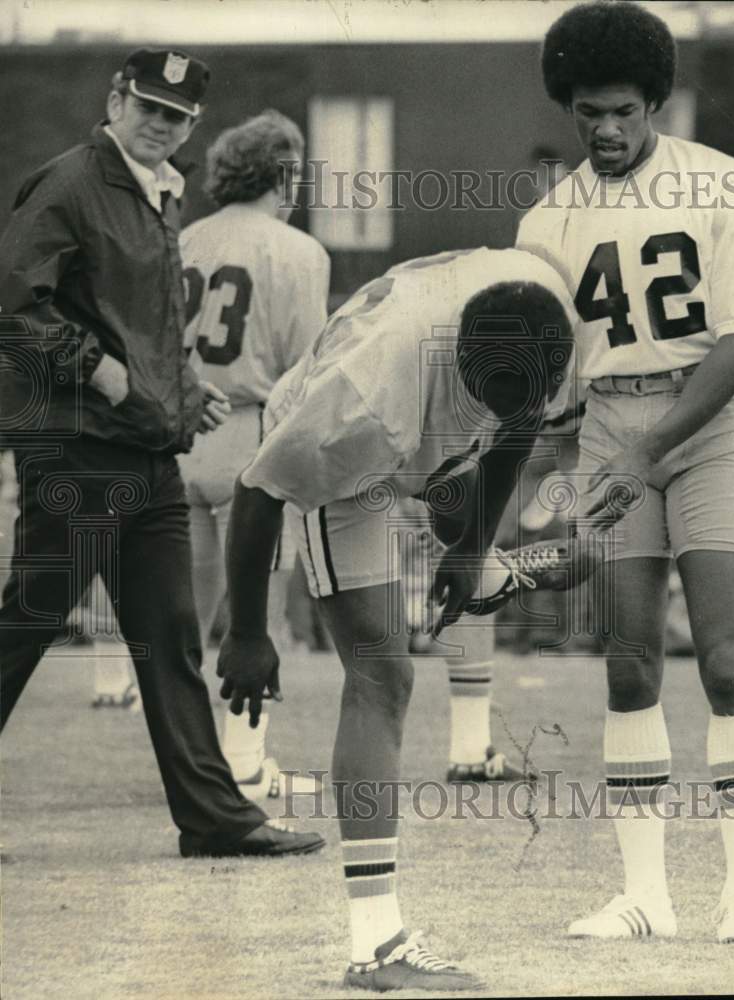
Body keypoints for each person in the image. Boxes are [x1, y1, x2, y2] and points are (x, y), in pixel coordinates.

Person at [216, 245, 578, 990]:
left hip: (420, 437)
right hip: (339, 454)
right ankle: (375, 945)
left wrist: (470, 551)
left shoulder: (542, 316)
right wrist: (249, 633)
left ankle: (469, 543)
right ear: (463, 362)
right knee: (383, 674)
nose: (515, 408)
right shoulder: (362, 404)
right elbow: (259, 494)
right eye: (496, 392)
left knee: (455, 535)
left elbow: (516, 433)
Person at [0, 48, 322, 858]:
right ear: (115, 99)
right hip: (75, 449)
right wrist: (104, 374)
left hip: (144, 449)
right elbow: (12, 306)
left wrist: (178, 387)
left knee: (171, 635)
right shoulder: (70, 183)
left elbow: (148, 318)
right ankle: (217, 813)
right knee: (27, 624)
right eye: (148, 106)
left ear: (193, 126)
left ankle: (215, 819)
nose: (160, 124)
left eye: (176, 116)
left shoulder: (160, 191)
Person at [518, 1, 734, 942]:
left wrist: (648, 446)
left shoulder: (722, 183)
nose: (609, 129)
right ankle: (645, 895)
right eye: (589, 112)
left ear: (658, 100)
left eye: (625, 110)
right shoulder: (547, 217)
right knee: (628, 666)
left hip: (703, 425)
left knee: (722, 657)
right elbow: (544, 367)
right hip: (606, 428)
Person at [177, 109, 331, 795]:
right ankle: (242, 763)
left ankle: (186, 758)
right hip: (252, 433)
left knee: (180, 616)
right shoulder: (297, 250)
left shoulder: (183, 241)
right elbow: (308, 369)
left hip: (178, 436)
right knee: (255, 614)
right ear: (283, 173)